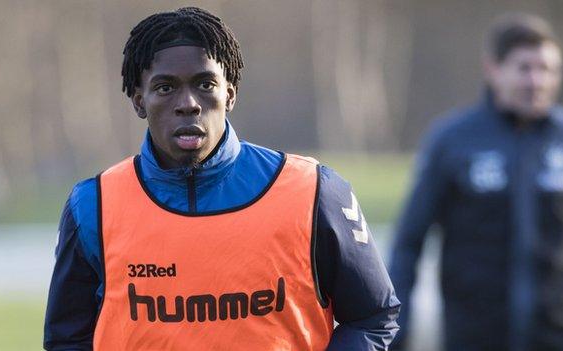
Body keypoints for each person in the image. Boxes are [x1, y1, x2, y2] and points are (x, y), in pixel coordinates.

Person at [43, 6, 399, 351]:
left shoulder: (314, 191)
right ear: (139, 102)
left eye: (204, 84)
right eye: (165, 88)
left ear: (229, 94)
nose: (188, 104)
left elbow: (374, 316)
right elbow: (66, 339)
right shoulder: (92, 206)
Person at [388, 13, 563, 351]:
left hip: (558, 337)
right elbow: (409, 243)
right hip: (473, 338)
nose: (537, 81)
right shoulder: (453, 140)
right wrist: (397, 331)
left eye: (547, 69)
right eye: (524, 68)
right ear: (493, 70)